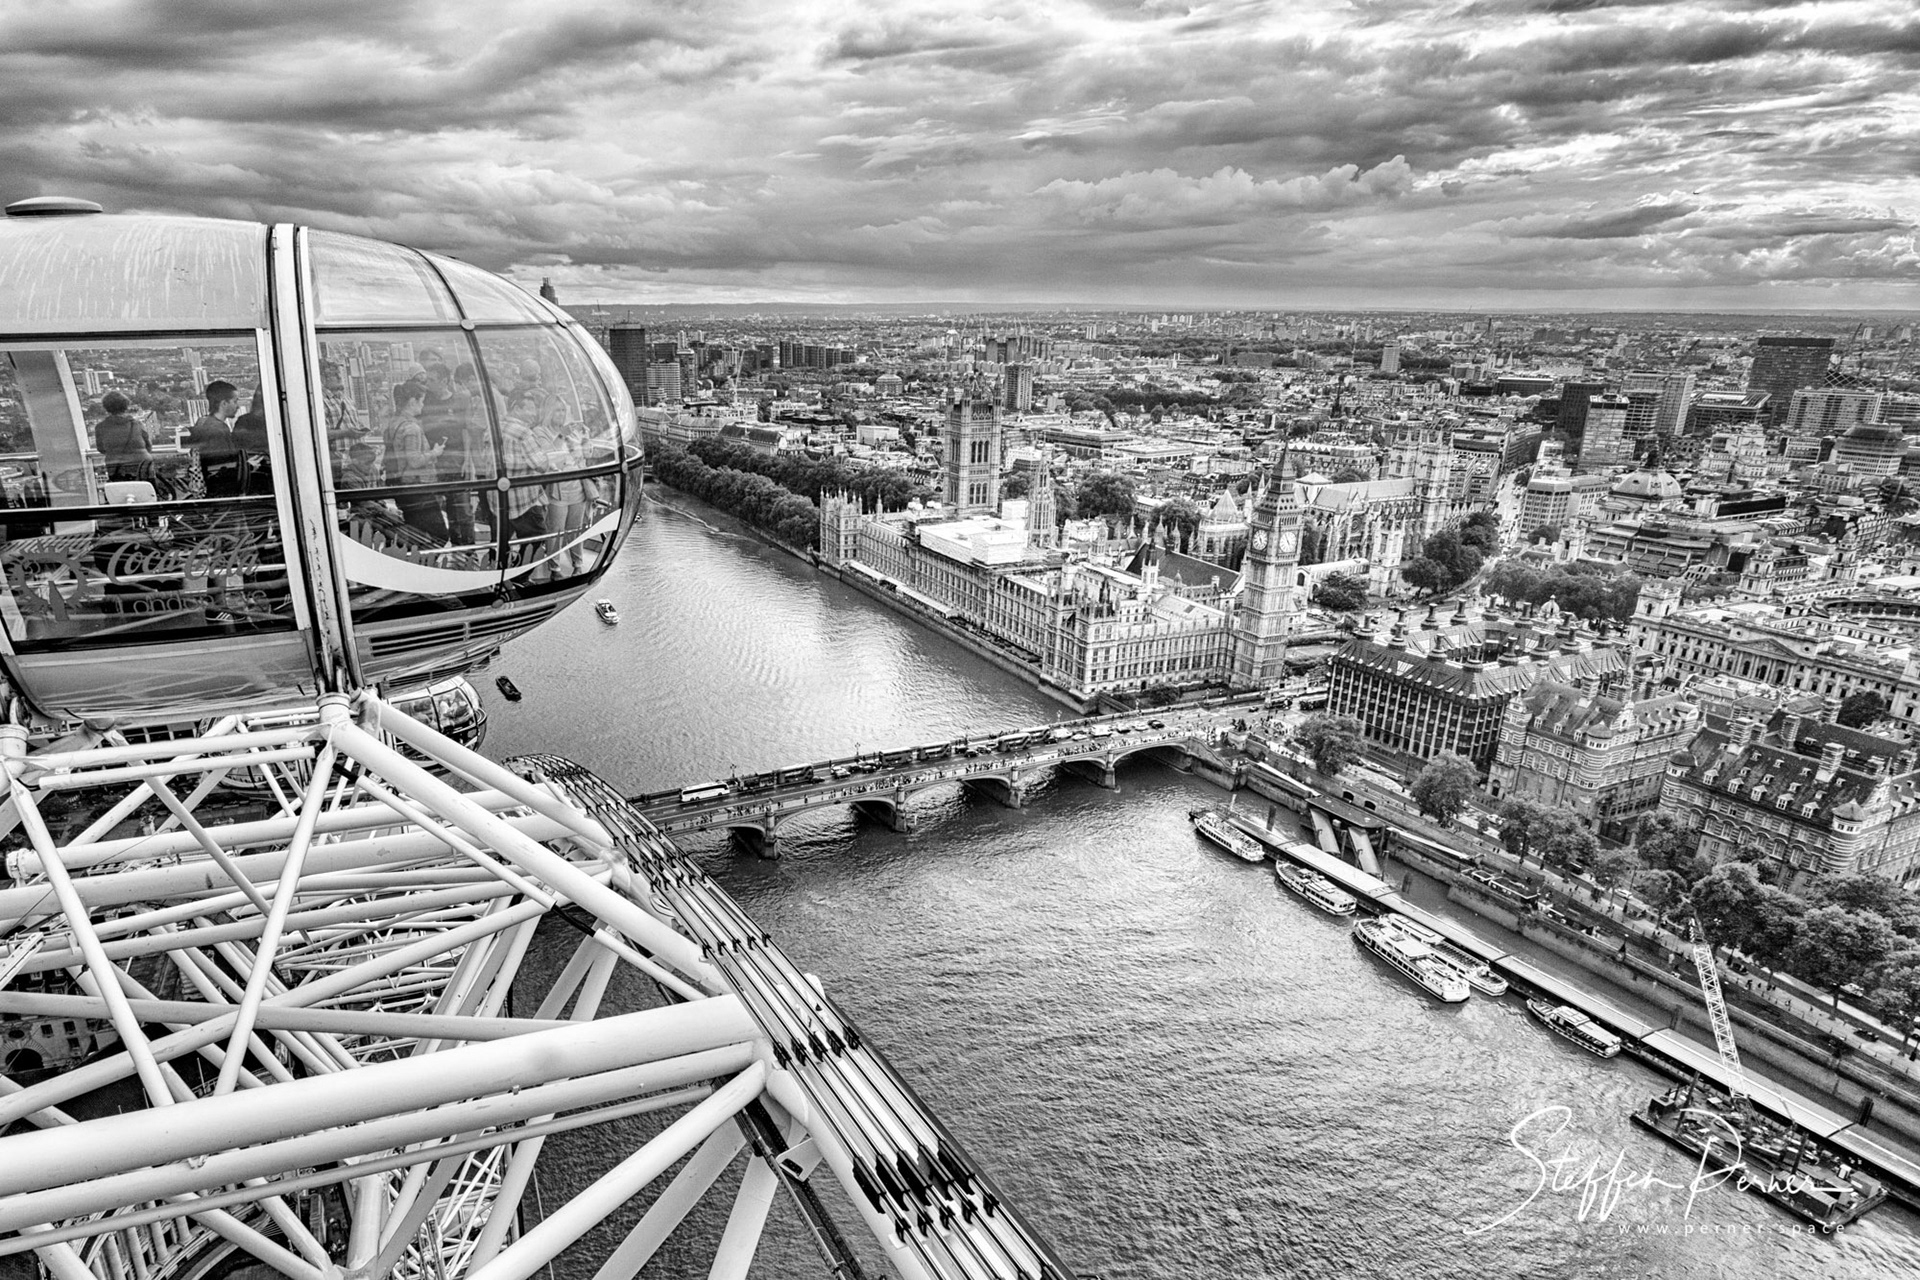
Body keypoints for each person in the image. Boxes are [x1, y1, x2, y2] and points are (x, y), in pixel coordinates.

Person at [382, 382, 447, 544]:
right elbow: (414, 460)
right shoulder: (412, 428)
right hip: (418, 488)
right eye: (421, 401)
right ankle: (419, 564)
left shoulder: (393, 423)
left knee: (414, 533)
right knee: (440, 535)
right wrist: (435, 453)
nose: (423, 405)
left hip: (402, 487)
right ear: (412, 401)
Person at [189, 380, 244, 498]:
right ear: (224, 403)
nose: (238, 406)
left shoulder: (203, 422)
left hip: (210, 490)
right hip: (220, 493)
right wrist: (248, 465)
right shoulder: (218, 430)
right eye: (235, 401)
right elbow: (222, 468)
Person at [95, 390, 156, 488]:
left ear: (106, 408)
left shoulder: (100, 427)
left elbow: (101, 449)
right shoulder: (137, 424)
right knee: (147, 493)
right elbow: (148, 446)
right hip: (142, 466)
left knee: (122, 494)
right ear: (126, 406)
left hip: (116, 468)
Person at [232, 390, 272, 494]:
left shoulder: (242, 421)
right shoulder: (274, 422)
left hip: (249, 477)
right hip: (264, 477)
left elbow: (236, 448)